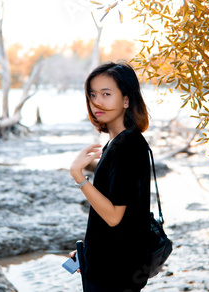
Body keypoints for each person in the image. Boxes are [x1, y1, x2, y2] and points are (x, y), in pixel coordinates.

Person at [69, 61, 152, 292]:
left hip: (115, 275)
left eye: (106, 94)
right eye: (93, 94)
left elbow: (114, 216)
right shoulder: (116, 143)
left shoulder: (128, 145)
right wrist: (90, 251)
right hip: (111, 267)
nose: (97, 101)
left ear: (126, 100)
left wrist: (78, 176)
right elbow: (120, 217)